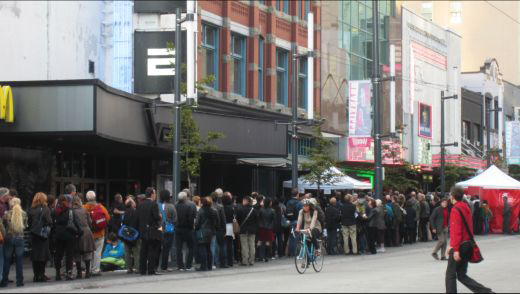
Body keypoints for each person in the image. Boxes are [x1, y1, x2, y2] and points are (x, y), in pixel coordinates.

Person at [445, 186, 493, 293]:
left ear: (452, 196)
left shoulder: (455, 209)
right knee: (461, 275)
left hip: (460, 245)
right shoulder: (465, 207)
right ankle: (485, 292)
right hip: (468, 244)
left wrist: (455, 249)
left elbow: (456, 231)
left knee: (450, 275)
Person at [0, 198, 27, 287]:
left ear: (11, 204)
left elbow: (2, 225)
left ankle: (4, 281)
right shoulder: (23, 213)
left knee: (7, 260)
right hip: (20, 238)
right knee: (19, 261)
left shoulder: (7, 214)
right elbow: (25, 225)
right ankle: (20, 281)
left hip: (9, 237)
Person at [53, 195, 81, 281]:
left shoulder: (55, 211)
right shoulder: (70, 211)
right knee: (69, 255)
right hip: (70, 235)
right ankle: (69, 273)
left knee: (58, 255)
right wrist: (79, 232)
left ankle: (58, 273)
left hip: (58, 236)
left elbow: (52, 224)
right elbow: (77, 222)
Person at [83, 191, 111, 276]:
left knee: (88, 252)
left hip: (88, 234)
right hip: (100, 234)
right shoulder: (101, 207)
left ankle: (89, 269)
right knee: (97, 252)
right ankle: (96, 270)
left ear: (87, 198)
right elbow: (108, 218)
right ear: (95, 198)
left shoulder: (84, 207)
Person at [136, 187, 162, 276]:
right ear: (152, 194)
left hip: (143, 231)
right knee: (152, 251)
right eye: (154, 193)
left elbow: (137, 218)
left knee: (143, 251)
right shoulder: (154, 204)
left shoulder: (140, 204)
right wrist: (160, 216)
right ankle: (151, 270)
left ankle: (142, 270)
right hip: (152, 231)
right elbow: (156, 217)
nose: (155, 195)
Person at [28, 192, 53, 283]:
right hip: (43, 236)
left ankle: (36, 275)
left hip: (34, 235)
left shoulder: (31, 209)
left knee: (35, 256)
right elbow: (49, 221)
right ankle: (41, 275)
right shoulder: (46, 209)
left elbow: (29, 223)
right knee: (43, 256)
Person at [72, 195, 95, 279]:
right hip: (86, 232)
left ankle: (79, 273)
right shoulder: (85, 210)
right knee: (87, 253)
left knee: (77, 254)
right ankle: (87, 273)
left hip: (76, 233)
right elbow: (90, 222)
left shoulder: (71, 211)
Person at [175, 191, 197, 271]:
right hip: (188, 229)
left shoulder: (175, 205)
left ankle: (180, 266)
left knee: (179, 248)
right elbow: (192, 218)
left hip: (178, 229)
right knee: (191, 247)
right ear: (186, 198)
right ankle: (188, 265)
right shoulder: (190, 205)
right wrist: (192, 227)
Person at [195, 197, 218, 271]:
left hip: (202, 232)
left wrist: (196, 228)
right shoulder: (214, 211)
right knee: (208, 249)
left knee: (202, 248)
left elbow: (197, 223)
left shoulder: (201, 211)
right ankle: (209, 266)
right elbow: (217, 222)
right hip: (211, 232)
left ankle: (203, 266)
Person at [159, 190, 177, 273]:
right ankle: (164, 266)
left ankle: (155, 265)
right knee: (166, 249)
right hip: (168, 230)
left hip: (158, 229)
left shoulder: (157, 205)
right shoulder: (171, 206)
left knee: (157, 248)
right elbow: (175, 219)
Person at [237, 196, 258, 266]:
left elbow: (238, 220)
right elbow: (256, 220)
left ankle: (245, 261)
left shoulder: (240, 210)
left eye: (243, 201)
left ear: (246, 201)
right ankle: (251, 260)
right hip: (252, 230)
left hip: (243, 229)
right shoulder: (254, 210)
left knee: (244, 246)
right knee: (252, 245)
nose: (242, 202)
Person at [122, 197, 140, 274]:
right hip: (135, 233)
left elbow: (123, 223)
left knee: (127, 251)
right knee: (136, 251)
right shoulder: (136, 212)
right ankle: (137, 267)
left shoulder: (125, 213)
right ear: (132, 204)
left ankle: (129, 268)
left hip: (126, 233)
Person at [257, 197, 275, 262]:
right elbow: (274, 219)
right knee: (267, 242)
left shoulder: (261, 210)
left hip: (261, 228)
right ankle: (266, 256)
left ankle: (259, 256)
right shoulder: (272, 210)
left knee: (260, 241)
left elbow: (258, 218)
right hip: (269, 228)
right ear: (269, 203)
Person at [286, 189, 302, 256]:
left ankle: (291, 252)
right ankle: (295, 253)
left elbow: (287, 212)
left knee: (292, 237)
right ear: (297, 194)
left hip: (290, 221)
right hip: (297, 221)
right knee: (297, 237)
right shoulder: (299, 202)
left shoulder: (288, 202)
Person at [222, 192, 236, 267]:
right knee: (230, 244)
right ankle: (230, 261)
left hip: (224, 226)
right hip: (230, 226)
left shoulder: (222, 208)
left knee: (223, 244)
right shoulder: (232, 208)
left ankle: (224, 261)